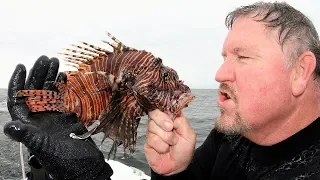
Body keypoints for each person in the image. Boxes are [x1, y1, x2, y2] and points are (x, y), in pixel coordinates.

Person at [3, 1, 320, 180]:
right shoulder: (234, 135)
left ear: (301, 71)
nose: (220, 73)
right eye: (225, 57)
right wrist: (174, 171)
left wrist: (92, 177)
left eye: (244, 56)